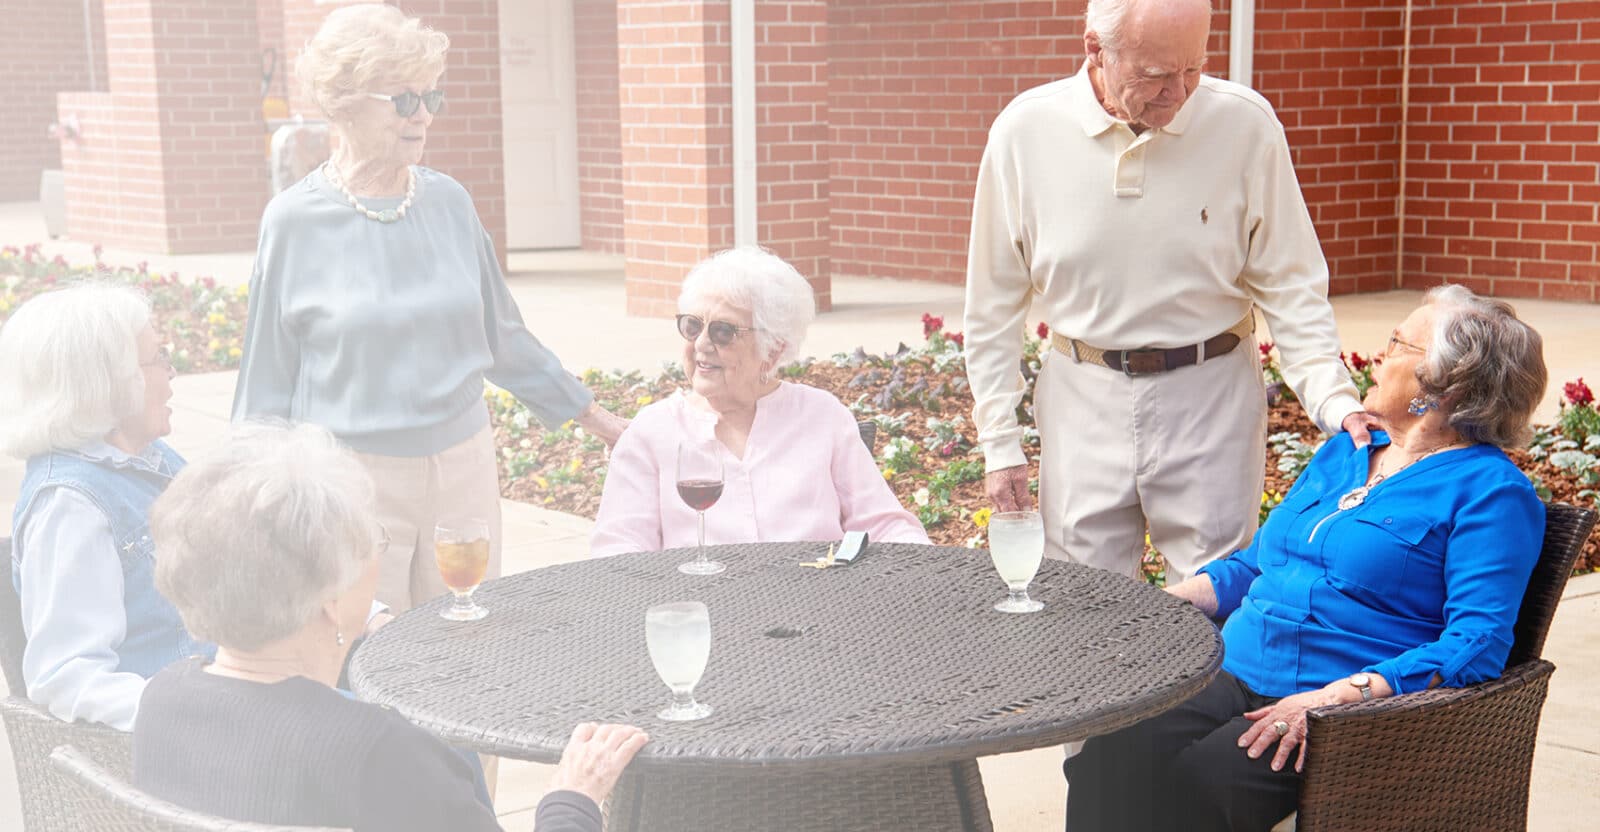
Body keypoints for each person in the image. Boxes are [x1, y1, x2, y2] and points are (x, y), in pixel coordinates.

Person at [1064, 285, 1548, 831]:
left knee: (1200, 785)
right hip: (1233, 666)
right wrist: (1159, 603)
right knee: (1109, 753)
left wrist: (1342, 697)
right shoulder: (1347, 451)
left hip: (1341, 705)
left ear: (1443, 386)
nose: (1381, 353)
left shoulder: (1491, 494)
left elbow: (1477, 644)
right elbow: (1256, 566)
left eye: (1398, 343)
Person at [232, 3, 628, 613]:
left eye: (430, 99)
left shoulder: (449, 202)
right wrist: (255, 498)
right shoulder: (292, 222)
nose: (422, 117)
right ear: (343, 104)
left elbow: (500, 334)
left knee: (466, 637)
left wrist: (598, 420)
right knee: (363, 646)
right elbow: (267, 374)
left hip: (462, 466)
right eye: (403, 100)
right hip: (350, 475)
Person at [962, 0, 1372, 582]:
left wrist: (1333, 399)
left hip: (1212, 396)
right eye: (1154, 75)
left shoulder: (1244, 125)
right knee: (1083, 602)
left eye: (1193, 68)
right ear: (1094, 50)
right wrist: (999, 442)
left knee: (1214, 597)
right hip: (1081, 397)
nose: (1177, 93)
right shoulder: (1025, 131)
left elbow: (1292, 285)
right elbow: (991, 307)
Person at [135, 422, 647, 831]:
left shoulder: (162, 700)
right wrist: (572, 797)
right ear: (332, 600)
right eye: (371, 546)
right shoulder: (380, 752)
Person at [590, 248, 929, 557]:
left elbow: (885, 525)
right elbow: (619, 548)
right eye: (693, 326)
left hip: (816, 609)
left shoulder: (822, 417)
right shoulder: (653, 431)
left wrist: (926, 570)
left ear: (774, 350)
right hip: (703, 611)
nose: (702, 345)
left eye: (723, 332)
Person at [0, 285, 216, 731]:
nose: (171, 373)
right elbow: (67, 677)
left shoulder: (149, 457)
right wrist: (214, 719)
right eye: (157, 359)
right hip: (191, 744)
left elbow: (247, 558)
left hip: (242, 691)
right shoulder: (72, 506)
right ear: (106, 381)